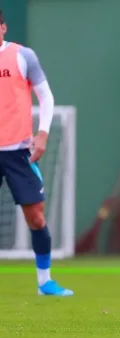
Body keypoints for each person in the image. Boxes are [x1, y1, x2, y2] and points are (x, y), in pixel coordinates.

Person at [0, 10, 73, 296]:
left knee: (36, 218)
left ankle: (45, 282)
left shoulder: (22, 56)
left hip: (19, 151)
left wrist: (42, 134)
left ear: (3, 27)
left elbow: (46, 96)